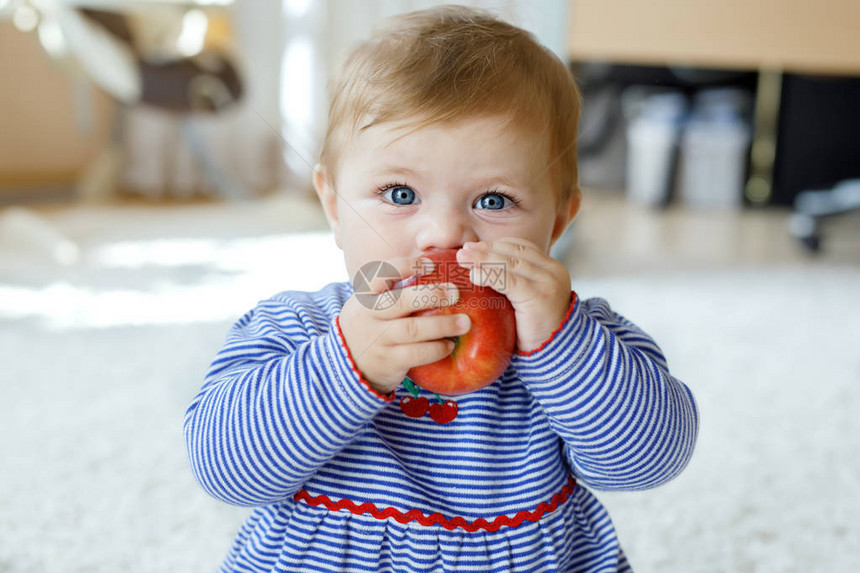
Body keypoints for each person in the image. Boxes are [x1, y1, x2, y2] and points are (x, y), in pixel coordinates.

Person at [184, 5, 698, 572]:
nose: (446, 234)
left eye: (494, 200)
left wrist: (561, 344)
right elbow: (222, 468)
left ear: (557, 222)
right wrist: (345, 364)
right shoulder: (299, 329)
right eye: (401, 194)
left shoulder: (575, 339)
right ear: (334, 205)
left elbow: (652, 461)